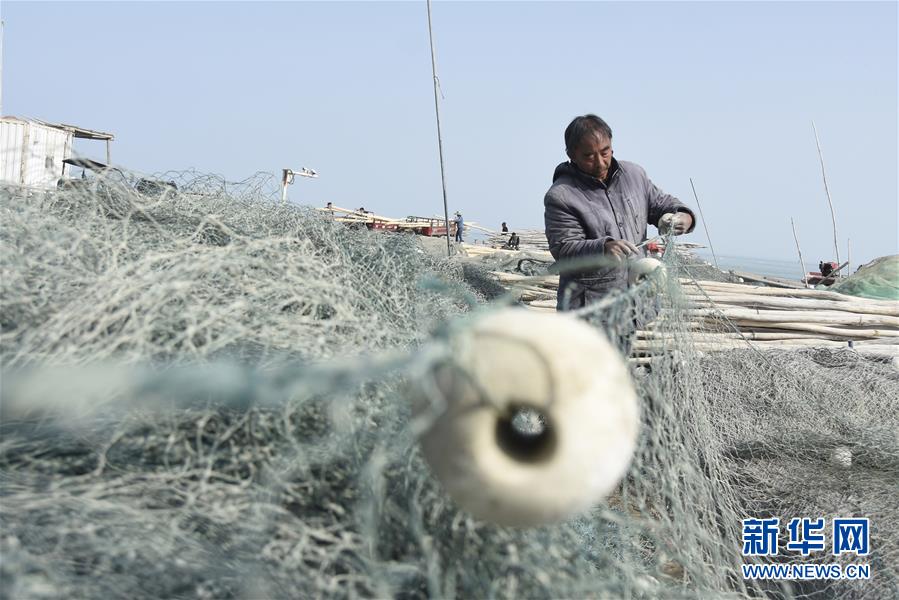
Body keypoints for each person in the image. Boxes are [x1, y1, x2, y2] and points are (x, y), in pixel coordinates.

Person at [544, 114, 695, 311]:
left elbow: (661, 205)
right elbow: (564, 249)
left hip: (633, 304)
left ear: (611, 146)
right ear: (572, 155)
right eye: (589, 156)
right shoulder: (561, 196)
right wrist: (604, 247)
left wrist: (684, 216)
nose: (600, 162)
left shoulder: (634, 175)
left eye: (605, 152)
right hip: (590, 308)